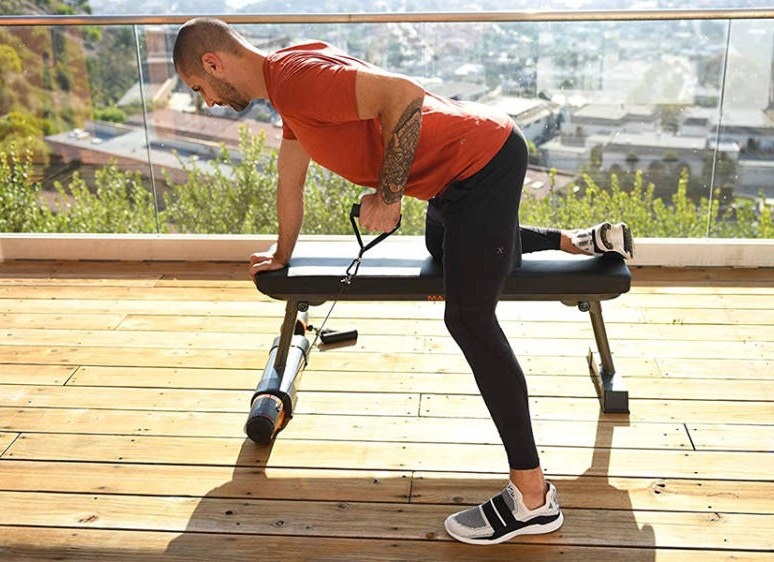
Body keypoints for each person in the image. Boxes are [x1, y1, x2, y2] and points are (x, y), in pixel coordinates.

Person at [173, 17, 633, 546]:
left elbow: (403, 95)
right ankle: (575, 241)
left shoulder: (295, 79)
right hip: (453, 180)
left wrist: (389, 196)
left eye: (200, 88)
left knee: (468, 318)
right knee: (446, 249)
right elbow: (289, 179)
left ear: (213, 63)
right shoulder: (287, 90)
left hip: (483, 163)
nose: (208, 101)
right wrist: (282, 252)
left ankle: (533, 498)